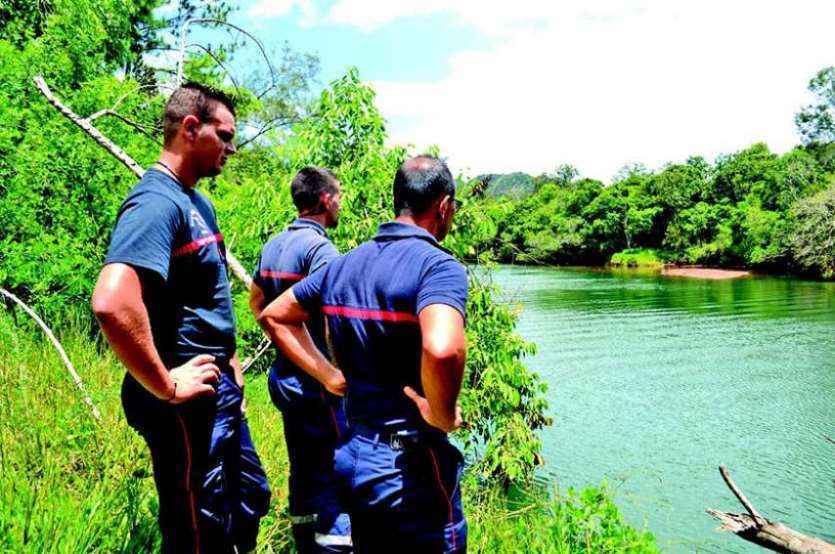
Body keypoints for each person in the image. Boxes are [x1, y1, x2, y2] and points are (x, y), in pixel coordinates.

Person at [91, 82, 270, 553]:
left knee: (248, 497)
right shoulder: (156, 202)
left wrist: (232, 365)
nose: (232, 148)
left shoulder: (197, 203)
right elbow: (111, 301)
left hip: (218, 388)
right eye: (225, 136)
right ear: (191, 128)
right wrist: (167, 386)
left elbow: (207, 295)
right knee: (197, 527)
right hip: (183, 401)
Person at [258, 156, 468, 553]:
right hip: (410, 466)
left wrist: (327, 375)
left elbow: (274, 314)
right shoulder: (438, 267)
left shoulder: (345, 264)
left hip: (355, 456)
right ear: (444, 206)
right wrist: (442, 414)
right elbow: (443, 349)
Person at [249, 166, 351, 552]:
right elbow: (332, 317)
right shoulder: (320, 250)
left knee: (303, 466)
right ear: (325, 200)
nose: (340, 203)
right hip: (317, 387)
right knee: (336, 472)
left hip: (285, 379)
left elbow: (258, 303)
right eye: (338, 196)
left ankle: (304, 541)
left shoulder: (275, 244)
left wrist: (285, 345)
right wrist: (329, 372)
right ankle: (335, 546)